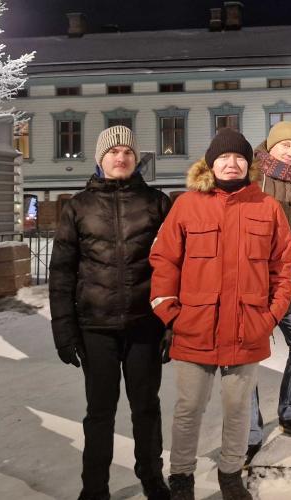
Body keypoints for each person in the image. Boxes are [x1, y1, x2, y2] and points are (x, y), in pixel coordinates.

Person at [149, 129, 291, 500]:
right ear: (211, 164)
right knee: (189, 409)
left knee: (238, 410)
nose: (232, 164)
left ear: (249, 165)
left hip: (247, 328)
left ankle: (230, 473)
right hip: (194, 328)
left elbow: (283, 268)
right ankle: (181, 475)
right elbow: (164, 260)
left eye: (239, 158)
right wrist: (171, 314)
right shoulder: (187, 205)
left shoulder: (267, 207)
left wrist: (270, 316)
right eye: (224, 158)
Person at [49, 125, 172, 500]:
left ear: (136, 159)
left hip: (144, 326)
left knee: (146, 408)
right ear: (100, 159)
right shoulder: (78, 206)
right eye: (113, 152)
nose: (120, 157)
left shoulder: (156, 202)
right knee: (100, 412)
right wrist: (64, 330)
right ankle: (94, 488)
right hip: (95, 327)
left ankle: (152, 478)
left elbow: (174, 266)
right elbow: (62, 272)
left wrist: (172, 324)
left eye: (127, 152)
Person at [245, 121, 291, 466]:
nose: (290, 152)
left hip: (286, 282)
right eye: (284, 145)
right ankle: (250, 431)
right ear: (270, 146)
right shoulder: (252, 178)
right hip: (248, 281)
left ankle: (290, 411)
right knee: (245, 353)